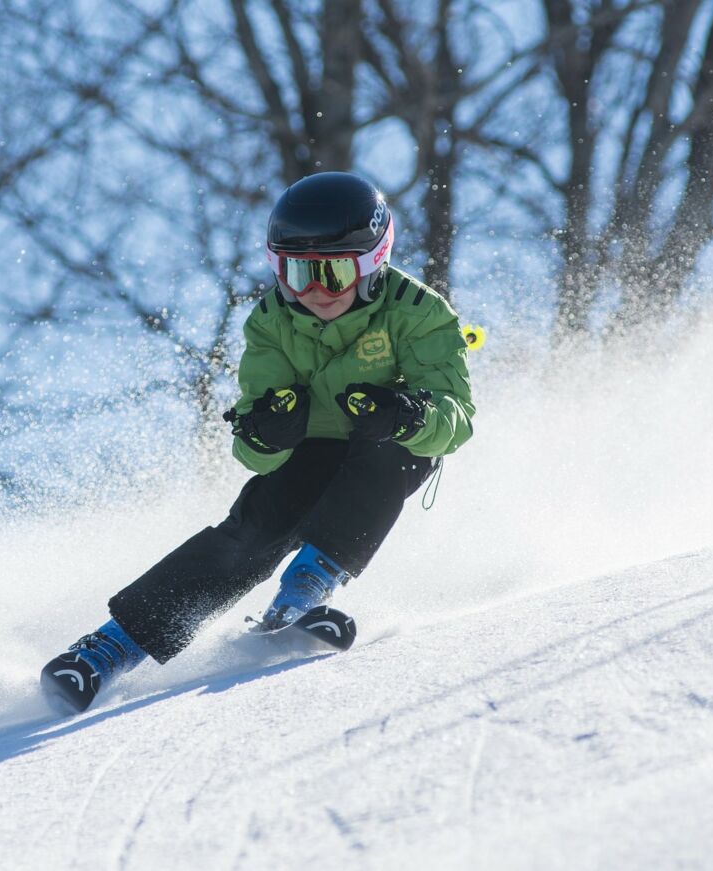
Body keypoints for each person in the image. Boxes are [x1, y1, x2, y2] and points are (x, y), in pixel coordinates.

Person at [40, 171, 475, 712]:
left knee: (397, 455)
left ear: (371, 264)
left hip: (385, 445)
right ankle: (108, 649)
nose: (313, 292)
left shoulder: (419, 311)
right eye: (296, 273)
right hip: (309, 450)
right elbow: (251, 448)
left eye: (333, 273)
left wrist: (408, 415)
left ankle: (301, 595)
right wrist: (267, 431)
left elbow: (456, 419)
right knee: (255, 528)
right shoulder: (271, 320)